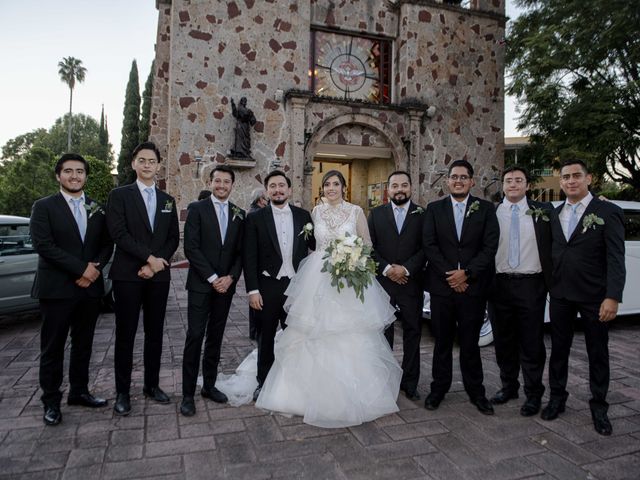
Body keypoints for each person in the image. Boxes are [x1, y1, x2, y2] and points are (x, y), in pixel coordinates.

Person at [254, 170, 402, 428]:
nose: (331, 188)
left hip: (347, 278)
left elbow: (366, 245)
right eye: (327, 184)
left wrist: (351, 260)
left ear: (344, 187)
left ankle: (354, 395)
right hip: (318, 278)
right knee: (309, 331)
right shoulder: (316, 212)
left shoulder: (356, 212)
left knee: (349, 334)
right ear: (322, 189)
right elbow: (311, 244)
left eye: (336, 184)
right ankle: (300, 392)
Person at [542, 159, 625, 436]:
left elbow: (615, 257)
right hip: (562, 295)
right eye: (566, 177)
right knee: (559, 350)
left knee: (597, 353)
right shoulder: (555, 213)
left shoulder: (607, 211)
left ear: (589, 178)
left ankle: (599, 406)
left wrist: (612, 296)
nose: (571, 181)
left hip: (594, 297)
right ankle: (557, 398)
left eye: (577, 175)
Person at [30, 153, 114, 426]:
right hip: (57, 290)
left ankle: (79, 391)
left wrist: (95, 269)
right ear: (58, 175)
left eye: (79, 171)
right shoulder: (44, 207)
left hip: (89, 290)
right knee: (52, 348)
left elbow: (106, 243)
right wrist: (81, 270)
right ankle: (51, 401)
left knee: (84, 344)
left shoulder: (97, 208)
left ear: (86, 176)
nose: (74, 176)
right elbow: (44, 245)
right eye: (68, 171)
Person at [106, 141, 179, 416]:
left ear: (158, 166)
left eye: (152, 161)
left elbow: (172, 237)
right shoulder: (119, 195)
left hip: (157, 278)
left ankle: (152, 385)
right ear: (133, 163)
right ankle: (122, 393)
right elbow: (118, 233)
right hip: (128, 275)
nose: (147, 165)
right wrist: (149, 258)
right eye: (142, 160)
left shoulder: (168, 200)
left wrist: (157, 265)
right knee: (126, 335)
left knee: (155, 334)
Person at [422, 159, 499, 415]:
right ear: (447, 181)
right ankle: (438, 389)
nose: (458, 181)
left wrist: (466, 274)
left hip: (473, 289)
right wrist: (451, 276)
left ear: (471, 181)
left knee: (470, 343)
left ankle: (476, 392)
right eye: (454, 177)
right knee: (442, 342)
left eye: (463, 177)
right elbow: (429, 245)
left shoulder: (486, 209)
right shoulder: (434, 209)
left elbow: (489, 247)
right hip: (443, 289)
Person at [243, 170, 315, 401]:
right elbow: (249, 256)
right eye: (272, 186)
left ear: (289, 189)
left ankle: (295, 380)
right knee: (265, 337)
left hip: (297, 286)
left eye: (281, 185)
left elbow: (317, 245)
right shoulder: (255, 218)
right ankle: (263, 382)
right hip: (267, 286)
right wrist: (252, 290)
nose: (277, 189)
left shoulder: (304, 216)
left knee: (297, 334)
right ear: (267, 191)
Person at [180, 165, 245, 416]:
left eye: (226, 181)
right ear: (210, 182)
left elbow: (240, 251)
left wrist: (231, 277)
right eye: (217, 181)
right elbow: (191, 248)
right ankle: (187, 394)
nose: (221, 185)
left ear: (232, 185)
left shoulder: (239, 213)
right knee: (195, 336)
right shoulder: (196, 209)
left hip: (225, 287)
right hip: (200, 285)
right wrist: (213, 277)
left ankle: (209, 385)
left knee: (215, 337)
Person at [488, 165, 552, 416]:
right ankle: (508, 386)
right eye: (508, 180)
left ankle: (533, 393)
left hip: (531, 284)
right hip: (499, 284)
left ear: (527, 185)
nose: (513, 184)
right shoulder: (491, 213)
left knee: (531, 342)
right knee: (503, 341)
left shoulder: (543, 212)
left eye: (518, 180)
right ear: (502, 185)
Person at [368, 171, 425, 401]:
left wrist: (406, 269)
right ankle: (386, 380)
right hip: (384, 283)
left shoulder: (423, 214)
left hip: (411, 283)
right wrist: (388, 269)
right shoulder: (376, 214)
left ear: (411, 187)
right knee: (384, 333)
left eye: (403, 185)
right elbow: (369, 247)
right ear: (388, 190)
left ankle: (410, 383)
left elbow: (426, 246)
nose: (399, 189)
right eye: (394, 185)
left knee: (413, 332)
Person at [247, 186, 268, 340]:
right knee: (257, 300)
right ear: (261, 200)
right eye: (266, 199)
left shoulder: (251, 211)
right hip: (261, 265)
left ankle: (254, 330)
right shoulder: (256, 214)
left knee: (255, 301)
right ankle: (255, 331)